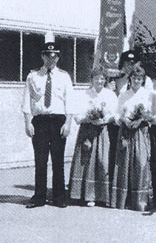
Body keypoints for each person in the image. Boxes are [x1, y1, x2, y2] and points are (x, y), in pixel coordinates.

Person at [22, 42, 76, 209]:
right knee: (40, 160)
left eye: (54, 56)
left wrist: (68, 123)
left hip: (58, 120)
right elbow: (26, 101)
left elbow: (70, 101)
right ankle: (39, 197)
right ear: (42, 56)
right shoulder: (33, 76)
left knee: (58, 161)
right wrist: (27, 123)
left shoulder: (64, 76)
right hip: (40, 122)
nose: (51, 59)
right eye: (47, 55)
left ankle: (59, 198)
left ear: (58, 57)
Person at [111, 64, 156, 211]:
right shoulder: (123, 95)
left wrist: (143, 120)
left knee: (141, 163)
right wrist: (123, 120)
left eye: (140, 78)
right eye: (134, 78)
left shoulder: (150, 95)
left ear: (143, 80)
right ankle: (123, 200)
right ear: (130, 79)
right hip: (126, 132)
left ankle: (141, 201)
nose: (137, 81)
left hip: (141, 132)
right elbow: (116, 113)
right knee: (124, 164)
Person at [68, 66, 118, 207]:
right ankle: (84, 195)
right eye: (97, 78)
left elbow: (115, 114)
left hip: (102, 131)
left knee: (102, 160)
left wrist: (105, 119)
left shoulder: (110, 95)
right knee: (86, 160)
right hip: (87, 131)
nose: (100, 81)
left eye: (102, 78)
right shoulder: (84, 94)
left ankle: (102, 196)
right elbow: (77, 117)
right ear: (91, 79)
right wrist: (89, 118)